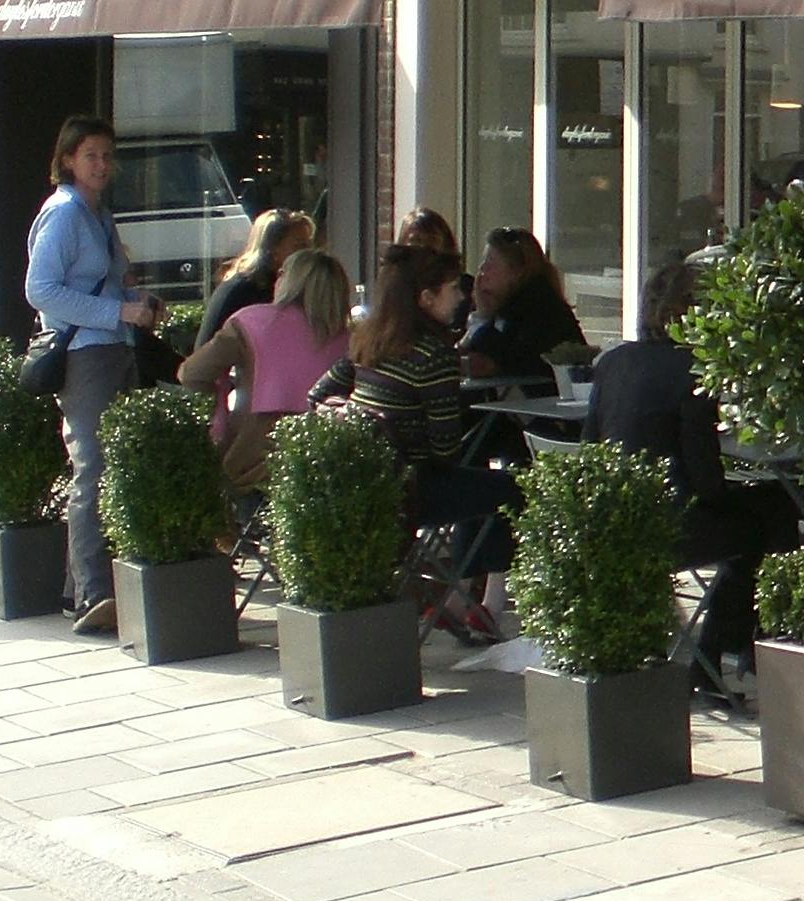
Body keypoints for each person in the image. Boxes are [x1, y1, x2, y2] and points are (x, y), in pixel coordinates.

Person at [586, 261, 801, 693]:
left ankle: (736, 649)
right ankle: (749, 645)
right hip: (671, 527)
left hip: (613, 523)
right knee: (773, 512)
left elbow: (592, 445)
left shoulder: (613, 362)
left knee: (757, 515)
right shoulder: (693, 371)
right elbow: (706, 482)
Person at [314, 244, 511, 641]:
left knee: (480, 487)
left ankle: (458, 598)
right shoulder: (434, 355)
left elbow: (317, 395)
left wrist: (357, 421)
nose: (462, 296)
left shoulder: (370, 340)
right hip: (413, 490)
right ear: (426, 298)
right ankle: (486, 603)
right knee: (512, 489)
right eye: (453, 288)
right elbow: (445, 452)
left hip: (370, 484)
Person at [27, 118, 165, 635]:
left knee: (111, 465)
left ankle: (80, 589)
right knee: (94, 466)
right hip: (85, 354)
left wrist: (138, 302)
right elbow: (40, 291)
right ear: (67, 160)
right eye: (91, 156)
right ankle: (93, 593)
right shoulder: (63, 214)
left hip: (113, 350)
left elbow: (104, 288)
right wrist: (117, 314)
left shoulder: (96, 214)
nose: (102, 165)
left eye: (107, 155)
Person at [179, 247, 352, 490]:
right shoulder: (352, 341)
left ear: (290, 281)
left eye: (283, 272)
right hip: (329, 469)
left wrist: (222, 392)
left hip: (253, 465)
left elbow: (191, 373)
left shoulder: (250, 323)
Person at [461, 226, 588, 379]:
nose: (482, 271)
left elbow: (489, 355)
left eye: (490, 263)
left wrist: (482, 315)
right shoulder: (517, 306)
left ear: (516, 271)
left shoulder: (537, 311)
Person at [197, 209, 314, 349]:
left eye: (310, 245)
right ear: (272, 250)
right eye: (300, 246)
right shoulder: (241, 291)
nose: (309, 253)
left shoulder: (298, 288)